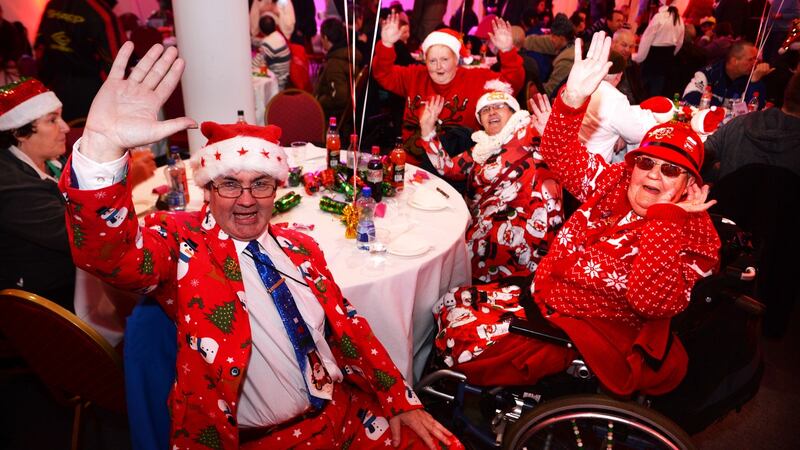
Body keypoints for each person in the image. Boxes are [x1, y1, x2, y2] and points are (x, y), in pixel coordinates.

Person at [59, 41, 460, 450]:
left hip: (343, 415)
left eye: (260, 183)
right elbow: (109, 255)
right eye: (230, 183)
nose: (247, 199)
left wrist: (398, 398)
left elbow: (350, 329)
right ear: (208, 189)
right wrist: (101, 151)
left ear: (276, 188)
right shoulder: (184, 248)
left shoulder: (302, 248)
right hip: (263, 440)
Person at [433, 33, 720, 396]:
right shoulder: (616, 183)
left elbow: (649, 302)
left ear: (689, 184)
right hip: (545, 297)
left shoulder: (686, 234)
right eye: (646, 162)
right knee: (450, 299)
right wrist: (573, 98)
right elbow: (560, 153)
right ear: (632, 166)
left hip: (571, 333)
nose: (653, 175)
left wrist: (666, 219)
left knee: (456, 337)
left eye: (670, 171)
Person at [418, 82, 563, 283]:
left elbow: (560, 147)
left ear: (514, 113)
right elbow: (449, 168)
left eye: (498, 106)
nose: (491, 112)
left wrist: (553, 131)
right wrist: (428, 133)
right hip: (486, 228)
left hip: (527, 233)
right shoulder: (482, 148)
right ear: (480, 121)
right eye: (484, 110)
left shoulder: (529, 132)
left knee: (447, 260)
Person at [372, 13, 524, 163]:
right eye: (432, 60)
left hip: (454, 170)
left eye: (445, 59)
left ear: (456, 60)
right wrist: (386, 45)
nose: (439, 67)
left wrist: (507, 51)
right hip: (410, 164)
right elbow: (383, 74)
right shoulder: (415, 76)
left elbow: (511, 84)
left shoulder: (475, 79)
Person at [34, 0, 124, 125]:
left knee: (64, 139)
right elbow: (118, 62)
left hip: (54, 92)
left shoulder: (53, 5)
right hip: (91, 94)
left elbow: (40, 49)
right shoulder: (100, 13)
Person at [703, 71, 800, 182]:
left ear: (786, 92)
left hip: (724, 197)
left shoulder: (740, 122)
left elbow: (700, 157)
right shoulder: (740, 122)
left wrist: (722, 175)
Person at [578, 51, 659, 163]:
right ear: (619, 76)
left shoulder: (577, 85)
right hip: (592, 166)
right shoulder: (614, 98)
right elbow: (636, 134)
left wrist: (619, 134)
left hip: (569, 158)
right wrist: (653, 118)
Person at [682, 40, 772, 108]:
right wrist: (722, 109)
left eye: (756, 60)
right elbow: (688, 97)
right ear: (734, 61)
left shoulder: (754, 78)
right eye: (750, 60)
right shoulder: (709, 73)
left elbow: (755, 112)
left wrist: (755, 82)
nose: (755, 63)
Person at [315, 17, 361, 129]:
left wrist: (318, 100)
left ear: (325, 38)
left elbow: (339, 98)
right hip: (350, 116)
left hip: (330, 118)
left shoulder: (334, 64)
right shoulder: (348, 53)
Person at [633, 0, 685, 96]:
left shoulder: (658, 17)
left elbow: (646, 41)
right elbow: (679, 43)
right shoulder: (679, 20)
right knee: (656, 91)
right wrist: (669, 55)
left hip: (651, 60)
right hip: (665, 62)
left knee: (640, 88)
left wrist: (638, 58)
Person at [252, 14, 291, 90]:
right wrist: (252, 40)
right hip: (284, 78)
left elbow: (254, 65)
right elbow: (264, 43)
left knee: (252, 75)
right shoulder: (278, 36)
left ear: (261, 30)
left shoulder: (267, 44)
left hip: (277, 83)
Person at [611, 28, 647, 104]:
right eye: (624, 45)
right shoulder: (605, 65)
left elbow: (641, 93)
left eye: (631, 47)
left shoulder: (633, 66)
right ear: (613, 44)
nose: (627, 50)